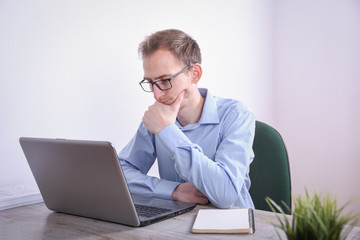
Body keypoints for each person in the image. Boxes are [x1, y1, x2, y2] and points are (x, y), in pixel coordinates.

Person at [118, 29, 255, 209]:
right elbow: (119, 175)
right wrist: (173, 190)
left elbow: (225, 194)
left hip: (233, 225)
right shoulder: (157, 117)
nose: (156, 94)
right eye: (150, 83)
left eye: (165, 80)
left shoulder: (236, 115)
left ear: (195, 74)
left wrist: (168, 131)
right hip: (176, 223)